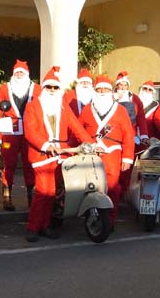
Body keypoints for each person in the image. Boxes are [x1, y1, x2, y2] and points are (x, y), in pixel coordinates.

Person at [23, 66, 94, 242]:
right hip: (41, 155)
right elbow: (30, 131)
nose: (52, 90)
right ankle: (33, 227)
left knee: (53, 193)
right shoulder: (33, 106)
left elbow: (76, 127)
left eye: (55, 87)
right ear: (44, 88)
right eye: (49, 87)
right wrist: (46, 145)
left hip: (60, 155)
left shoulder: (62, 106)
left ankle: (45, 225)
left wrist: (91, 144)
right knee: (43, 192)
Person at [79, 75, 135, 231]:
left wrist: (128, 158)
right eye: (99, 89)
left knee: (112, 188)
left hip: (113, 153)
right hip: (91, 154)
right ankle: (92, 216)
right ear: (94, 91)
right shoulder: (86, 110)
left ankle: (109, 220)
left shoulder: (121, 110)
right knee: (91, 187)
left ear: (111, 91)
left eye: (106, 89)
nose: (102, 92)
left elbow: (128, 135)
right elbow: (77, 131)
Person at [0, 60, 41, 211]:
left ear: (27, 74)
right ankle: (7, 197)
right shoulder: (4, 88)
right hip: (10, 131)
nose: (19, 75)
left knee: (30, 163)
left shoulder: (37, 89)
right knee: (9, 163)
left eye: (22, 72)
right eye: (17, 72)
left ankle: (31, 196)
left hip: (29, 131)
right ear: (13, 74)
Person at [114, 71, 149, 196]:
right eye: (120, 85)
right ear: (116, 86)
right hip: (116, 138)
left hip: (131, 136)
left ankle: (124, 191)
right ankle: (114, 190)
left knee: (128, 165)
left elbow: (141, 118)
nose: (122, 88)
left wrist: (144, 135)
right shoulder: (111, 98)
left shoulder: (135, 99)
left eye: (125, 85)